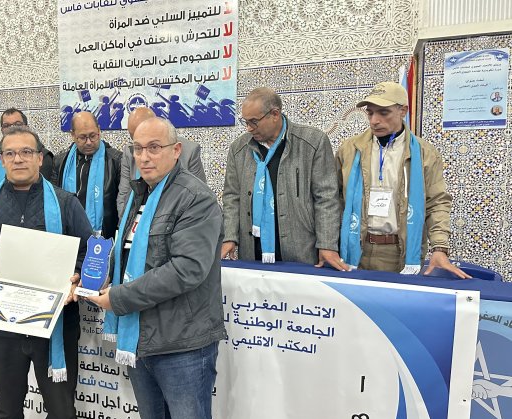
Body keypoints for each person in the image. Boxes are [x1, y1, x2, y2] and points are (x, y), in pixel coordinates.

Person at [0, 126, 92, 419]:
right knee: (6, 410)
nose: (18, 159)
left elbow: (91, 254)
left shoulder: (66, 203)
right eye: (10, 153)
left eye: (26, 152)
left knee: (62, 413)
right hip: (1, 328)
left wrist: (78, 276)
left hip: (55, 326)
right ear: (1, 161)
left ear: (39, 158)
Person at [87, 117, 226, 419]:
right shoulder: (139, 194)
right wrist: (99, 277)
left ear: (176, 151)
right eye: (138, 149)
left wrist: (120, 298)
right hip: (141, 338)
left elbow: (187, 269)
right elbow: (129, 254)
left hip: (181, 344)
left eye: (154, 147)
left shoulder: (195, 198)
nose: (144, 157)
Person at [337, 81, 470, 278]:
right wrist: (327, 245)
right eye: (370, 113)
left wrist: (440, 248)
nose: (374, 120)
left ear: (403, 111)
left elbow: (437, 202)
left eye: (383, 113)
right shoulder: (349, 150)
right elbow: (334, 200)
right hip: (354, 247)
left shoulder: (424, 153)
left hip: (399, 252)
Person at [221, 87, 347, 270]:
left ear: (275, 114)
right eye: (245, 122)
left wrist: (327, 244)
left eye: (254, 122)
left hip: (301, 251)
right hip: (253, 252)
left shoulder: (312, 142)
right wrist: (229, 237)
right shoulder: (239, 149)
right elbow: (232, 197)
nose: (249, 128)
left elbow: (326, 197)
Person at [117, 107, 207, 217]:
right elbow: (123, 195)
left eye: (153, 146)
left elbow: (198, 196)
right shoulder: (129, 151)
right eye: (137, 144)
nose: (144, 157)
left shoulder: (189, 151)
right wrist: (127, 223)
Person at [52, 111, 122, 239]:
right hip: (69, 237)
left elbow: (123, 204)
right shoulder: (60, 162)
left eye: (93, 136)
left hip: (106, 237)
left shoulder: (116, 161)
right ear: (73, 135)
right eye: (83, 137)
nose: (89, 142)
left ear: (99, 130)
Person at [0, 108, 55, 198]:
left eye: (17, 124)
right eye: (6, 126)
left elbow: (44, 189)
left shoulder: (43, 155)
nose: (12, 128)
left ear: (26, 127)